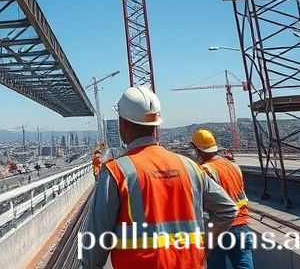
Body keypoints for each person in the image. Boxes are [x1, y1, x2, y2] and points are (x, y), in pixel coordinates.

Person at [83, 86, 238, 269]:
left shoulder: (117, 172)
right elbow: (228, 210)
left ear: (123, 124)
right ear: (156, 125)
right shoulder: (190, 167)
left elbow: (97, 240)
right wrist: (204, 247)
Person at [191, 129, 254, 269]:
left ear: (198, 150)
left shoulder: (204, 170)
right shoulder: (234, 166)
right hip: (241, 225)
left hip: (218, 227)